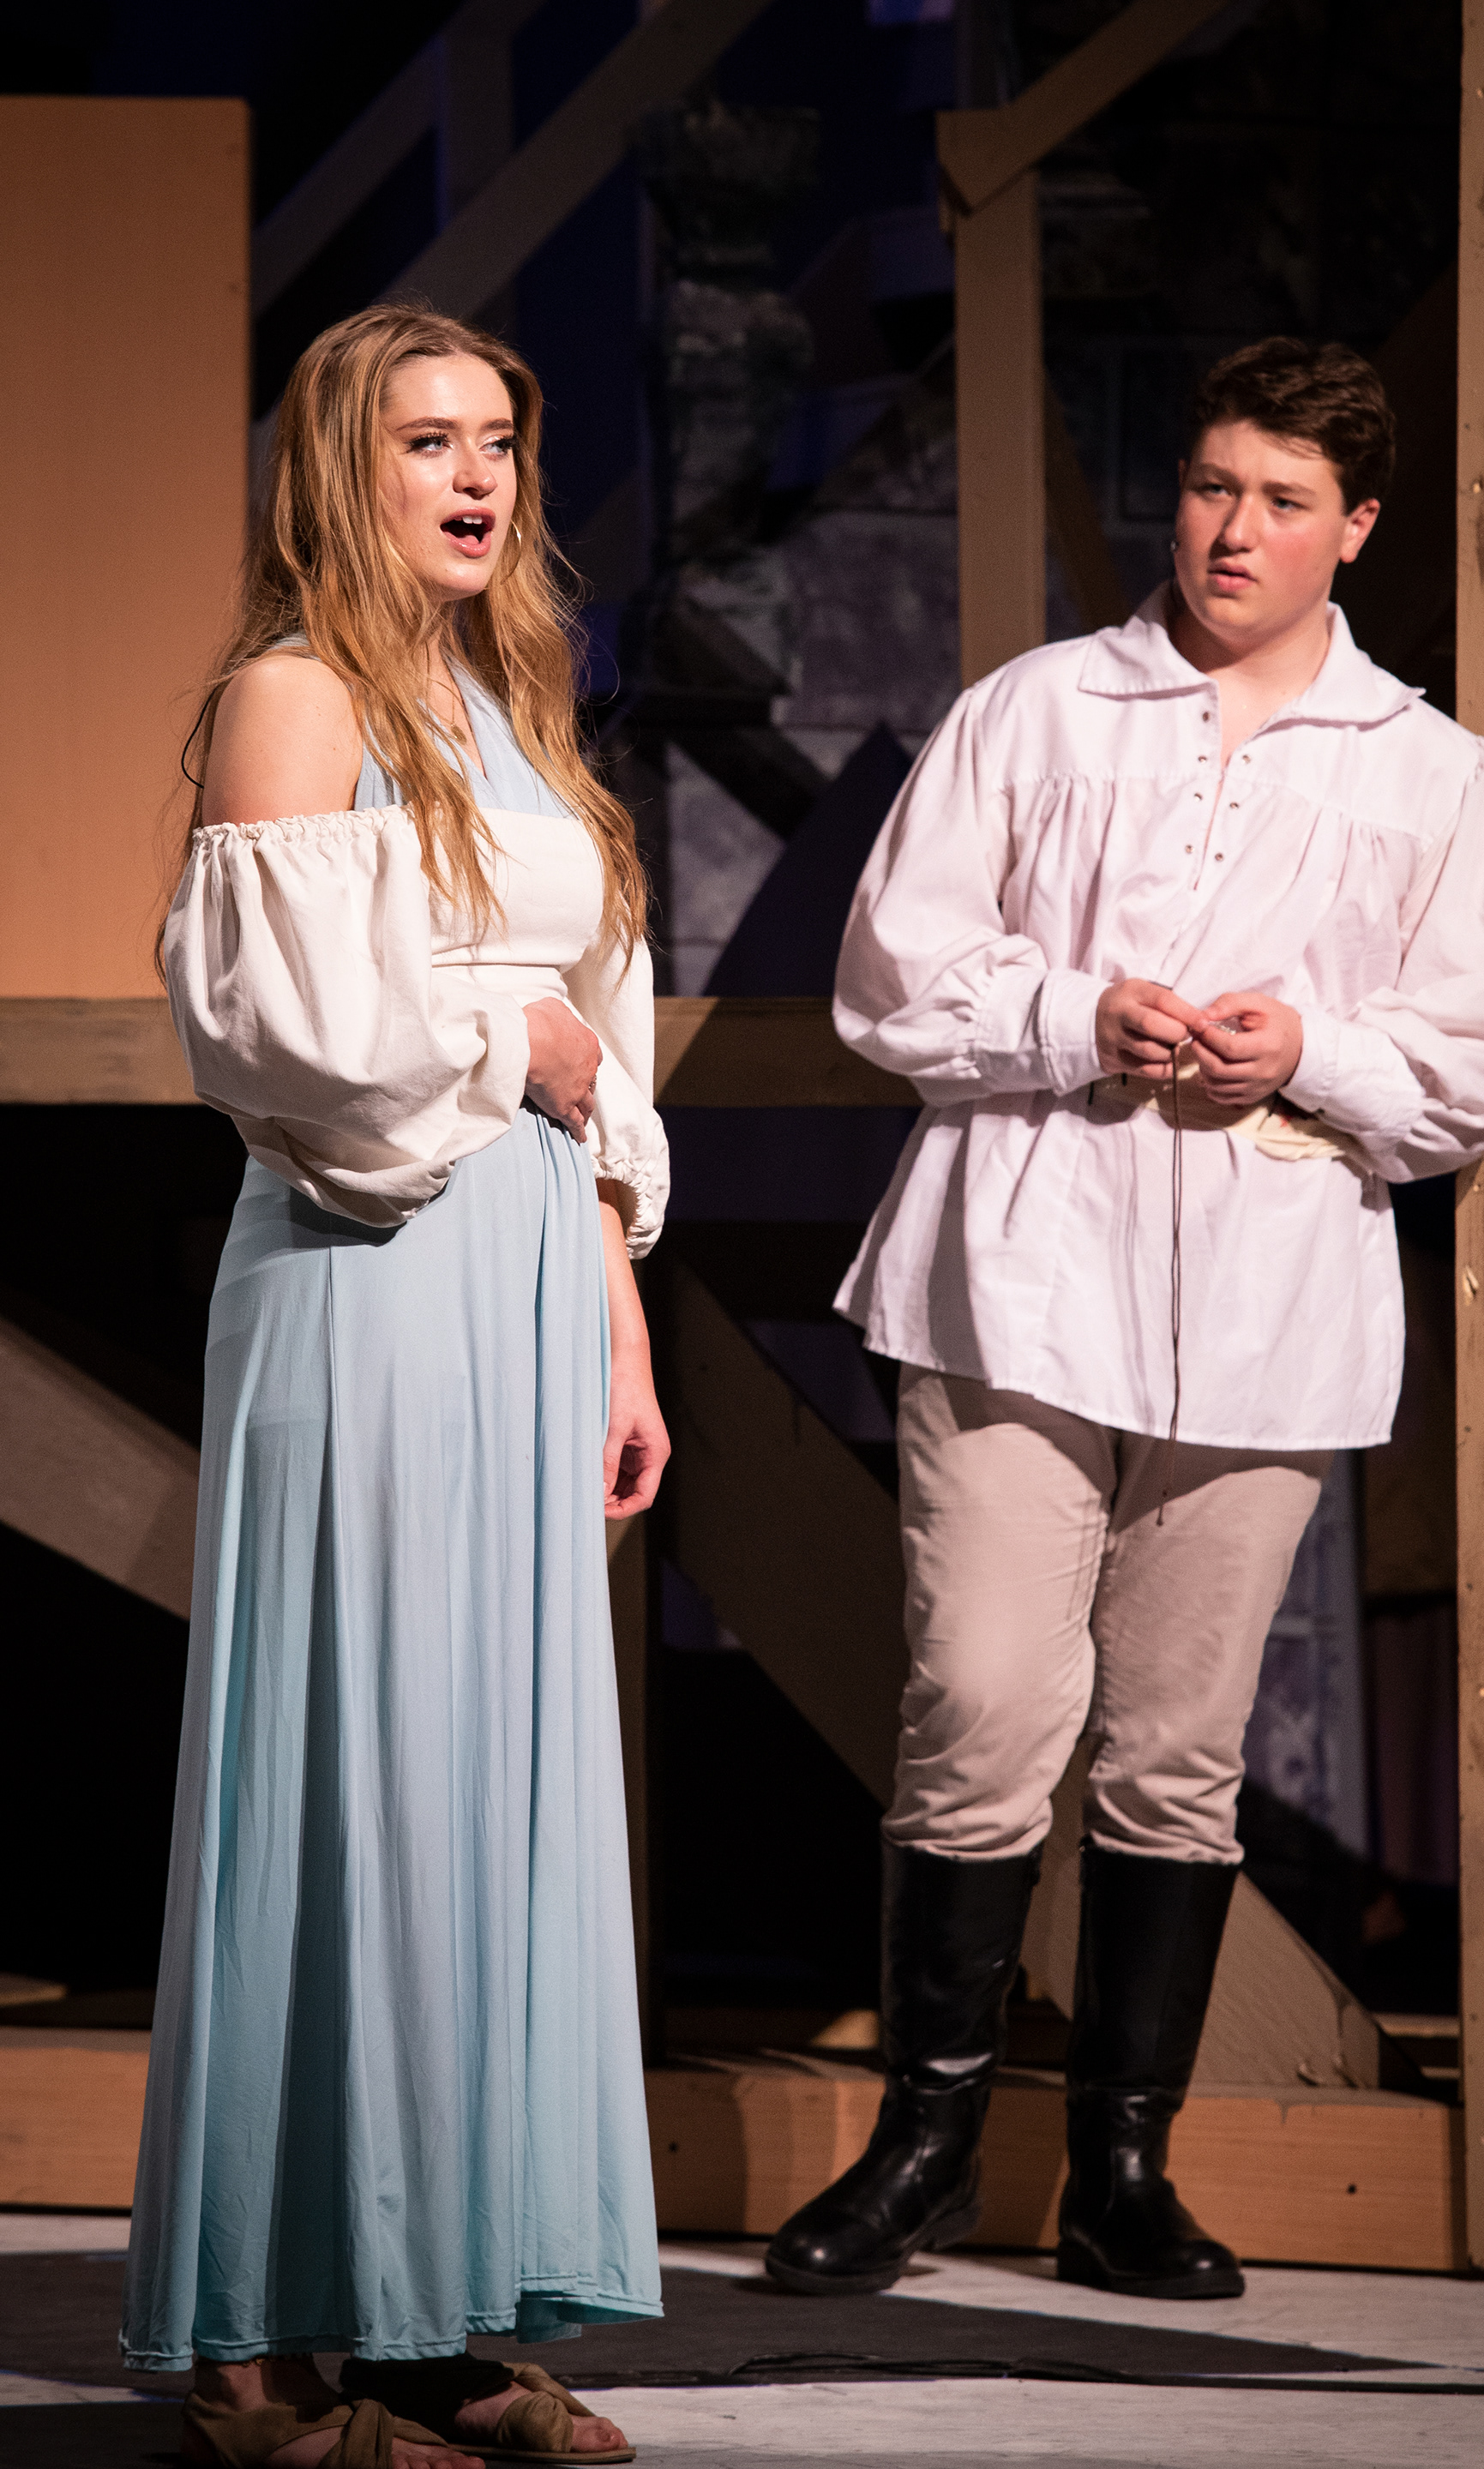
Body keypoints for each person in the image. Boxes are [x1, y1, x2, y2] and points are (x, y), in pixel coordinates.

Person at [765, 338, 1484, 2302]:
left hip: (1269, 1306)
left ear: (1356, 529)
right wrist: (1073, 1015)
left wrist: (1315, 1051)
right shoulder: (1036, 711)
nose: (1234, 529)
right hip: (1019, 1274)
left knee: (1175, 1752)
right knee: (983, 1704)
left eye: (1284, 500)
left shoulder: (1432, 773)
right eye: (1213, 486)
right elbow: (893, 976)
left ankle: (1121, 2171)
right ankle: (926, 2149)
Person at [120, 304, 670, 2466]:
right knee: (355, 1781)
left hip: (527, 1279)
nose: (476, 478)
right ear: (341, 472)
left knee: (479, 1803)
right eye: (426, 441)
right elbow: (278, 1039)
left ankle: (430, 2319)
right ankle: (263, 2346)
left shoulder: (507, 707)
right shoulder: (297, 693)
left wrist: (617, 1317)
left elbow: (598, 1048)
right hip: (371, 1271)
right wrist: (506, 1040)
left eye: (499, 441)